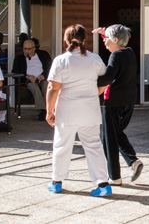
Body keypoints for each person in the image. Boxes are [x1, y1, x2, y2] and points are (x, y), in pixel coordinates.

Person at [45, 24, 112, 197]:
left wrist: (49, 111)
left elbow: (53, 88)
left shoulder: (61, 60)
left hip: (67, 111)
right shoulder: (95, 59)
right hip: (90, 110)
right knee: (93, 146)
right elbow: (105, 81)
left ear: (65, 40)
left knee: (62, 146)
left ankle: (57, 181)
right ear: (84, 40)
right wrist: (94, 93)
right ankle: (102, 184)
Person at [94, 25, 143, 186]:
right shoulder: (129, 52)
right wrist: (105, 34)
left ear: (115, 40)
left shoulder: (115, 55)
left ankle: (114, 177)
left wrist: (88, 80)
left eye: (106, 39)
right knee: (116, 133)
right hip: (129, 100)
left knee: (108, 138)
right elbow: (113, 44)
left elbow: (108, 77)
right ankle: (133, 161)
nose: (104, 42)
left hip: (114, 101)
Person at [12, 39, 52, 119]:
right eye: (24, 49)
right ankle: (43, 110)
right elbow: (15, 72)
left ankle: (47, 109)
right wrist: (28, 76)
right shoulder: (19, 58)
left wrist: (43, 75)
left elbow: (49, 68)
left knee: (46, 86)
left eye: (29, 49)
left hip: (42, 79)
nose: (26, 51)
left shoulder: (42, 56)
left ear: (34, 49)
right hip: (29, 81)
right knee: (34, 87)